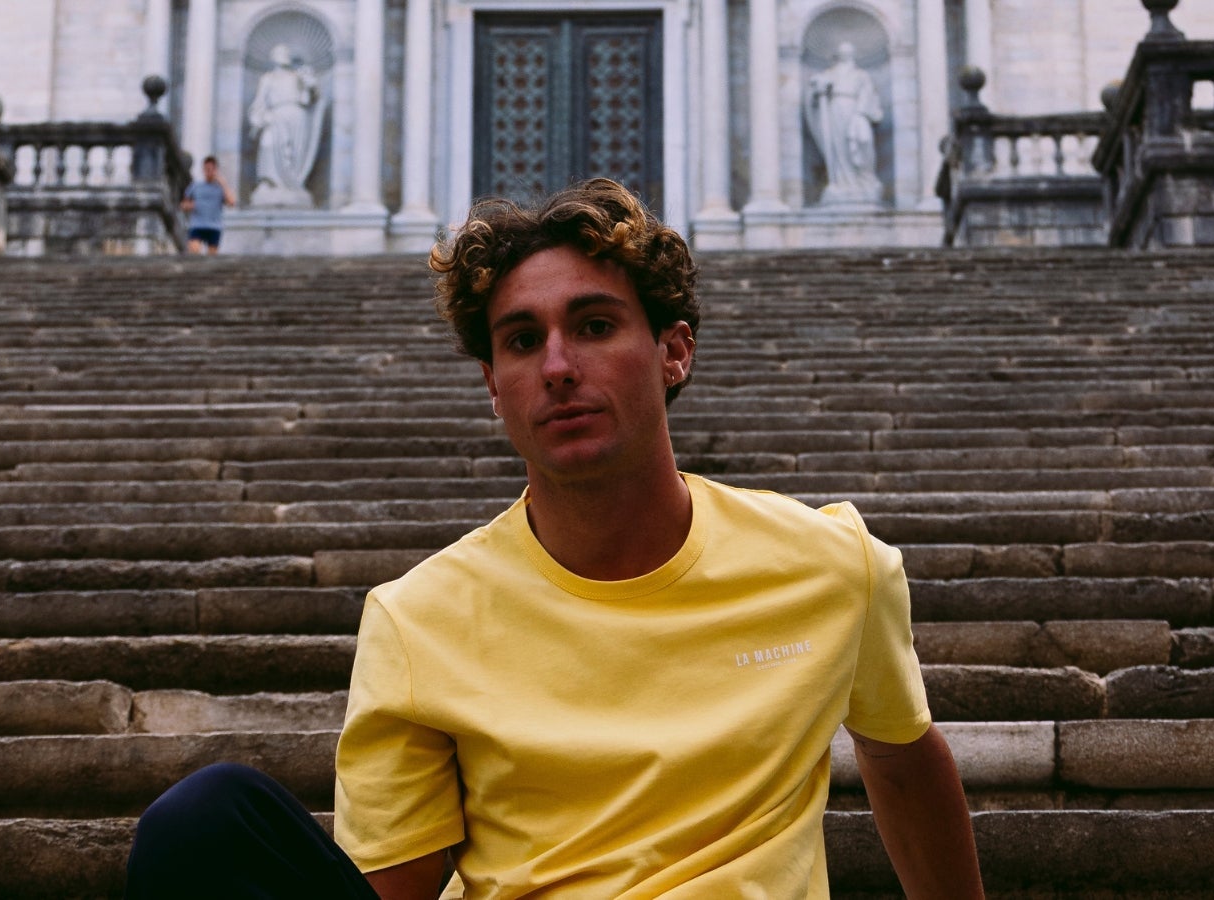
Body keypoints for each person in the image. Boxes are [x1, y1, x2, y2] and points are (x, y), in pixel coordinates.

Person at [126, 178, 985, 899]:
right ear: (493, 387)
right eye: (522, 340)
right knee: (207, 818)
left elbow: (903, 759)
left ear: (673, 350)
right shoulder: (420, 620)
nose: (559, 366)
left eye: (596, 325)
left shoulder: (832, 564)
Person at [806, 42, 885, 206]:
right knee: (838, 147)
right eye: (842, 53)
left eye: (848, 53)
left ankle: (864, 181)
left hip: (856, 111)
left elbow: (869, 95)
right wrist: (818, 89)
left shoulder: (861, 75)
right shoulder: (829, 73)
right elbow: (813, 96)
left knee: (863, 141)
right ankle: (841, 183)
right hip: (835, 110)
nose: (846, 55)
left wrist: (860, 112)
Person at [248, 45, 325, 207]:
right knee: (267, 144)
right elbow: (259, 102)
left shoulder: (298, 76)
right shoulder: (267, 78)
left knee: (294, 151)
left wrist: (310, 84)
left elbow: (312, 97)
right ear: (273, 57)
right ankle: (269, 182)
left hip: (297, 115)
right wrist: (259, 118)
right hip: (275, 115)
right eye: (279, 53)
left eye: (285, 53)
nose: (282, 55)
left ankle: (294, 183)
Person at [180, 156, 233, 255]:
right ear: (203, 169)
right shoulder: (195, 186)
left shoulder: (220, 188)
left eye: (211, 169)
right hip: (197, 224)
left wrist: (223, 184)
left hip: (214, 226)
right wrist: (189, 205)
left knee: (212, 258)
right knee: (194, 252)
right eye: (206, 169)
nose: (209, 172)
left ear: (216, 170)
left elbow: (231, 203)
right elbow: (183, 204)